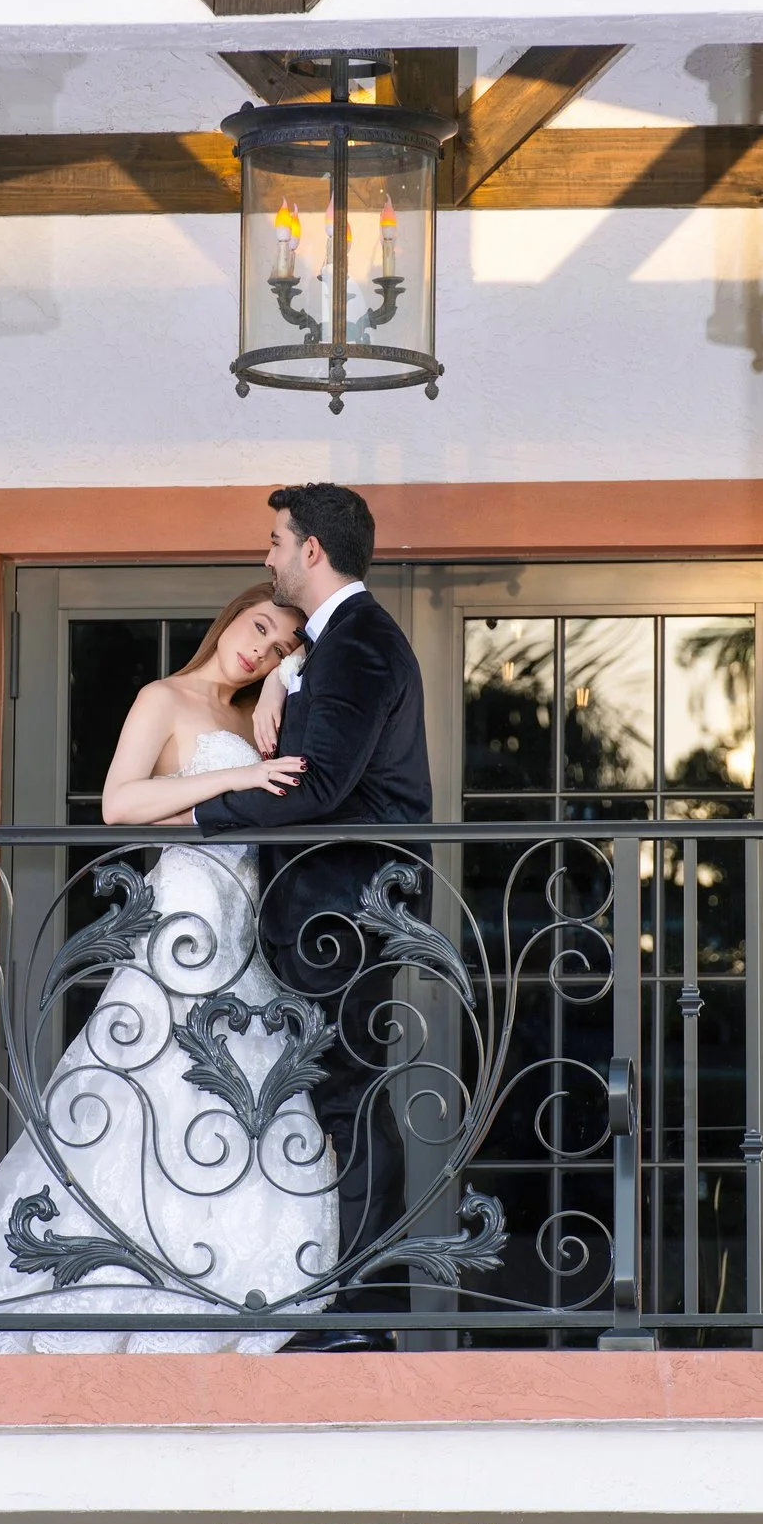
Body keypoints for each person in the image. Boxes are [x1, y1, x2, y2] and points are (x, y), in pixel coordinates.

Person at [0, 585, 338, 1353]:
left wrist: (279, 680)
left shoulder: (257, 716)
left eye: (276, 647)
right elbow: (120, 804)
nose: (259, 647)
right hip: (183, 917)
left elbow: (265, 780)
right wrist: (235, 779)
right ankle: (114, 1283)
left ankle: (226, 1281)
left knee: (248, 1102)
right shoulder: (163, 698)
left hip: (245, 928)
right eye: (258, 627)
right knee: (146, 1090)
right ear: (230, 611)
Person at [196, 483, 432, 1352]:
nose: (266, 557)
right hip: (337, 905)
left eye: (275, 541)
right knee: (330, 1100)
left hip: (348, 906)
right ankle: (340, 1304)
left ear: (312, 552)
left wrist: (200, 819)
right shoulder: (336, 643)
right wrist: (288, 673)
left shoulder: (361, 642)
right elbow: (324, 719)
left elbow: (323, 782)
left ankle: (364, 1316)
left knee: (350, 1102)